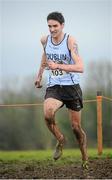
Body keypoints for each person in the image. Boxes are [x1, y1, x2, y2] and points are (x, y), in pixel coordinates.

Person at [35, 11, 88, 169]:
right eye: (49, 26)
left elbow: (80, 67)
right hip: (55, 86)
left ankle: (85, 158)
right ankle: (60, 139)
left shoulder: (70, 41)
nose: (52, 29)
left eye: (55, 26)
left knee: (76, 128)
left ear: (62, 25)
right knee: (47, 113)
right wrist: (39, 76)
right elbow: (45, 56)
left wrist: (58, 65)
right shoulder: (45, 40)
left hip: (71, 87)